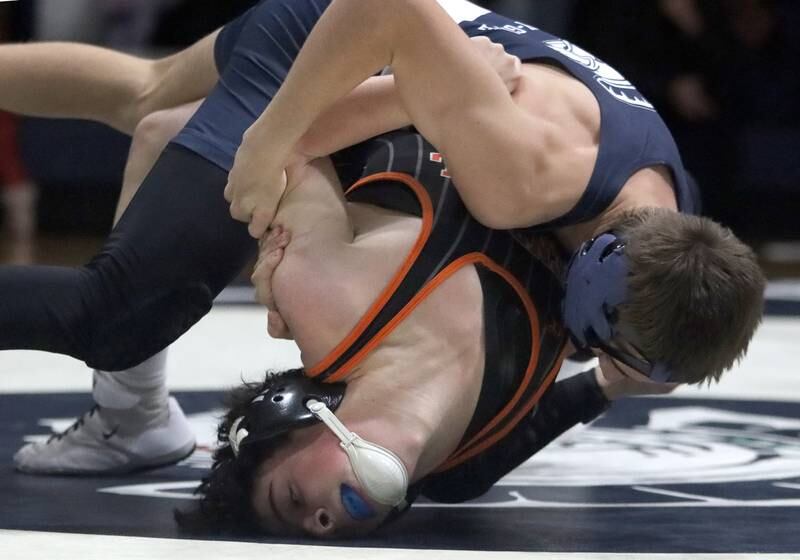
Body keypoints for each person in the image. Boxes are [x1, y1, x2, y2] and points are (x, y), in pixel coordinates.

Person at [0, 0, 763, 535]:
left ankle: (132, 411)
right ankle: (131, 411)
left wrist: (615, 378)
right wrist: (270, 150)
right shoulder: (522, 181)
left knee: (148, 96)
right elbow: (382, 13)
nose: (586, 350)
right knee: (122, 311)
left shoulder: (671, 218)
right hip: (343, 39)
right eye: (599, 344)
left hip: (434, 50)